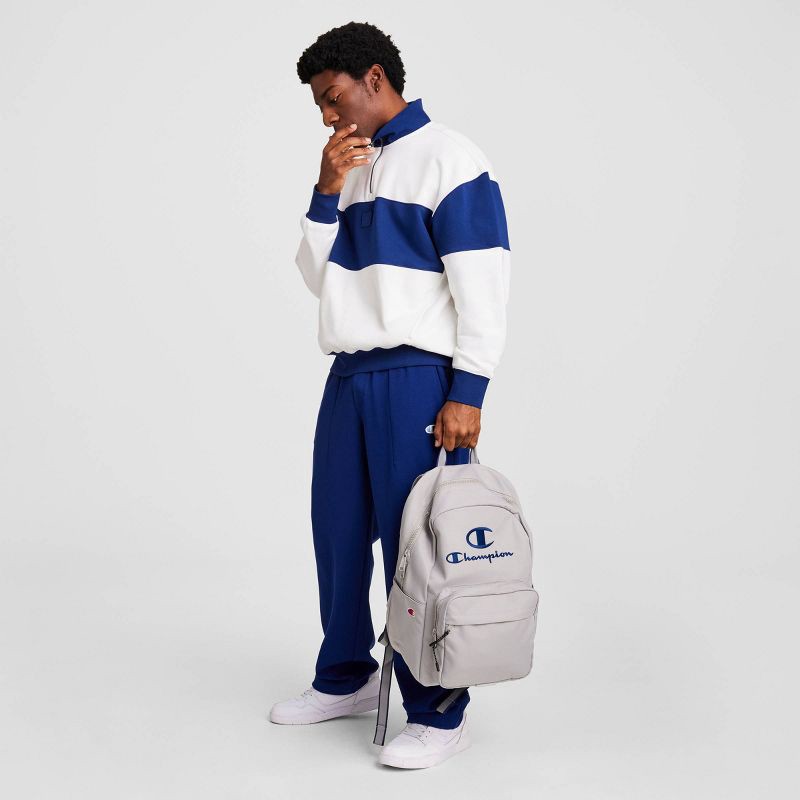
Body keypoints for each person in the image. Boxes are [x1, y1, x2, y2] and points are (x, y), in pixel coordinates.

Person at [268, 21, 511, 770]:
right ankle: (346, 675)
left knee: (422, 546)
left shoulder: (451, 159)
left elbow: (484, 284)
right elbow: (321, 280)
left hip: (418, 379)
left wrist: (468, 390)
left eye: (332, 97)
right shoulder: (354, 167)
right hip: (350, 375)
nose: (327, 116)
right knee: (338, 531)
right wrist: (324, 189)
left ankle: (439, 711)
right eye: (318, 104)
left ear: (374, 78)